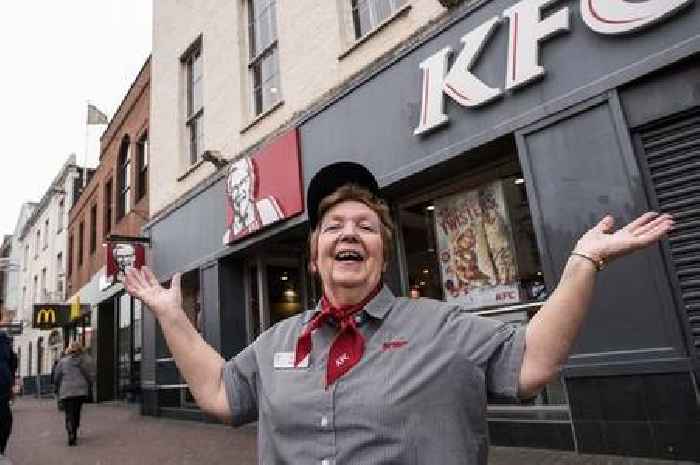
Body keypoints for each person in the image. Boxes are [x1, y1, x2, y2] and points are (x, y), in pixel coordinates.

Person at [125, 161, 673, 465]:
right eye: (334, 226)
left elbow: (533, 362)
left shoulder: (439, 326)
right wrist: (173, 317)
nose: (349, 233)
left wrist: (582, 264)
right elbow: (222, 394)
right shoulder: (277, 342)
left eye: (365, 227)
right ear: (315, 258)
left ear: (382, 255)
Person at [222, 156, 283, 244]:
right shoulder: (228, 236)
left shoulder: (267, 208)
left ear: (251, 183)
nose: (239, 191)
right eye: (234, 188)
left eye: (242, 182)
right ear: (229, 194)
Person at [53, 341, 93, 446]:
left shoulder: (62, 362)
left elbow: (57, 376)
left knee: (68, 413)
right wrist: (90, 385)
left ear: (69, 350)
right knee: (76, 411)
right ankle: (74, 429)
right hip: (80, 391)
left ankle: (70, 430)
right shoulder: (84, 361)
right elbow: (89, 375)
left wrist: (56, 386)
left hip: (66, 391)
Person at [0, 331, 17, 461]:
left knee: (5, 420)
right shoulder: (4, 340)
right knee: (5, 420)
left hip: (3, 385)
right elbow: (13, 362)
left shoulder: (4, 340)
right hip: (3, 385)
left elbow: (13, 361)